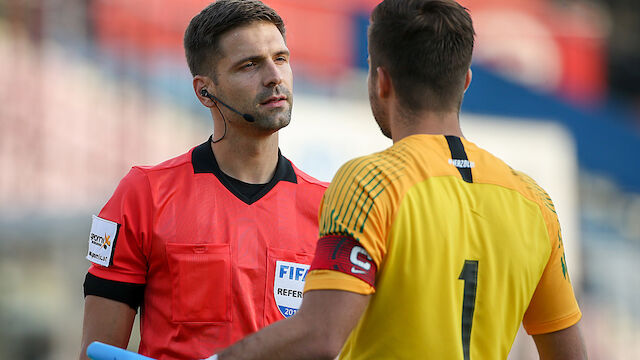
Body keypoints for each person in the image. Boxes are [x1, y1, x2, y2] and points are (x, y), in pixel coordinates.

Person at [213, 0, 587, 359]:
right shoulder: (535, 201)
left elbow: (320, 337)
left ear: (382, 81)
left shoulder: (370, 181)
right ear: (466, 81)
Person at [78, 1, 327, 359]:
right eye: (250, 65)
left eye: (281, 58)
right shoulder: (145, 194)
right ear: (204, 91)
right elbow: (96, 353)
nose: (274, 76)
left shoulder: (331, 208)